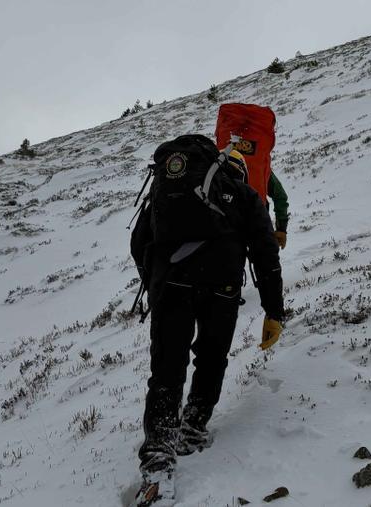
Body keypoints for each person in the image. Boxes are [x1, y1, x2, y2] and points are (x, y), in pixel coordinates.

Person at [131, 143, 285, 506]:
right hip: (222, 288)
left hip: (171, 283)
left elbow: (140, 241)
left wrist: (155, 281)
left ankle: (158, 458)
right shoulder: (246, 195)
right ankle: (193, 428)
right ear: (240, 171)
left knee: (167, 368)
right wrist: (273, 311)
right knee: (211, 357)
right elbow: (266, 254)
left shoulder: (167, 191)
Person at [268, 170, 289, 249]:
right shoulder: (259, 160)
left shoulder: (227, 161)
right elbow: (280, 196)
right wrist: (281, 228)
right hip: (259, 227)